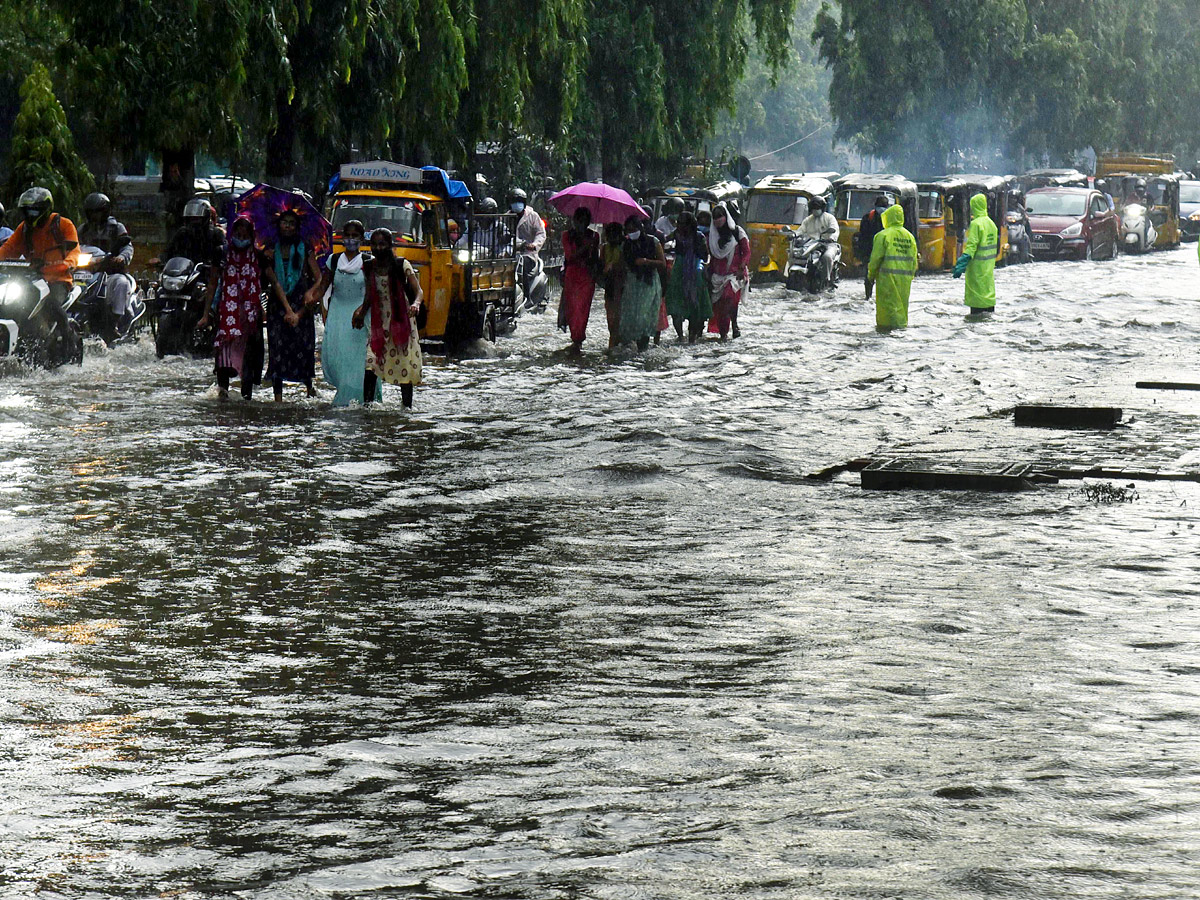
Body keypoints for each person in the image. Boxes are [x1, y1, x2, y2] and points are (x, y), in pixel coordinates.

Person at [0, 187, 82, 363]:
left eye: (34, 209)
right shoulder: (24, 229)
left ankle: (68, 340)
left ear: (46, 208)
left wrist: (67, 264)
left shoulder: (63, 224)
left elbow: (74, 250)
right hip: (31, 281)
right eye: (27, 209)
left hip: (58, 280)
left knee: (51, 303)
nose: (31, 214)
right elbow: (8, 249)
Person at [305, 220, 378, 406]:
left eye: (355, 236)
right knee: (337, 357)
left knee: (357, 359)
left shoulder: (368, 262)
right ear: (342, 237)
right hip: (337, 315)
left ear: (362, 239)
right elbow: (324, 286)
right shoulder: (334, 260)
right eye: (348, 235)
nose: (351, 239)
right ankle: (345, 393)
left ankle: (356, 400)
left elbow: (372, 291)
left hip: (359, 317)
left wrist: (362, 312)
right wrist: (312, 297)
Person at [351, 228, 423, 407]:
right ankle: (367, 408)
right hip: (379, 322)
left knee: (404, 367)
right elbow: (369, 295)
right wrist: (360, 312)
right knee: (370, 365)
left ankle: (407, 409)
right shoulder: (368, 267)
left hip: (402, 322)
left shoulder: (401, 265)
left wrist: (416, 304)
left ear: (390, 245)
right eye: (374, 244)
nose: (378, 248)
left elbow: (418, 291)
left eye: (382, 244)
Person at [197, 215, 265, 400]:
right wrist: (206, 314)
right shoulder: (222, 253)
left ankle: (246, 397)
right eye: (238, 234)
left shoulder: (259, 256)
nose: (241, 239)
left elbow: (270, 283)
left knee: (248, 359)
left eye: (245, 236)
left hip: (250, 316)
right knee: (224, 358)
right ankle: (223, 394)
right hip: (228, 312)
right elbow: (212, 284)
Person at [264, 210, 321, 401]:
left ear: (297, 227)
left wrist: (310, 293)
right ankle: (277, 397)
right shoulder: (271, 248)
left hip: (301, 303)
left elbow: (319, 279)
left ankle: (309, 388)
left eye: (291, 223)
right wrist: (266, 258)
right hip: (277, 305)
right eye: (284, 222)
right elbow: (269, 280)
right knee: (277, 350)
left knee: (303, 348)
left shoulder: (305, 247)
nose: (287, 226)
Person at [78, 192, 136, 342]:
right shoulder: (82, 229)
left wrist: (121, 258)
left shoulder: (116, 227)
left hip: (110, 272)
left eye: (97, 212)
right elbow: (72, 247)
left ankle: (114, 323)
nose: (94, 216)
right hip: (87, 273)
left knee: (121, 284)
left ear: (105, 211)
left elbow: (127, 246)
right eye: (91, 212)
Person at [866, 203, 918, 330]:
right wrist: (911, 275)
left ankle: (886, 331)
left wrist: (870, 276)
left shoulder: (882, 236)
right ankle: (901, 329)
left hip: (886, 278)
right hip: (905, 280)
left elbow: (875, 259)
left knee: (887, 309)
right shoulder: (909, 237)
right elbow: (914, 261)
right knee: (901, 306)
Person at [618, 214, 665, 350]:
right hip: (632, 283)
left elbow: (662, 263)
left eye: (634, 229)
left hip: (649, 283)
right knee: (631, 317)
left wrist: (646, 261)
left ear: (640, 228)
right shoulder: (625, 244)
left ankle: (643, 348)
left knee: (643, 317)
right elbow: (622, 265)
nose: (631, 233)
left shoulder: (653, 242)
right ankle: (635, 347)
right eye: (628, 230)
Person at [664, 211, 711, 342]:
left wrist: (702, 268)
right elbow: (664, 240)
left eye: (682, 224)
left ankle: (692, 335)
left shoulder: (699, 237)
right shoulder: (676, 234)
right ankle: (680, 336)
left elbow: (705, 256)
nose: (679, 226)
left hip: (695, 271)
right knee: (675, 303)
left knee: (695, 304)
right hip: (679, 270)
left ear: (690, 225)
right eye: (678, 223)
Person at [706, 203, 750, 341]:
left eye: (720, 217)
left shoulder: (737, 232)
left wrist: (742, 267)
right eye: (715, 217)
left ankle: (733, 326)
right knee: (719, 307)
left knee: (729, 299)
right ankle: (723, 335)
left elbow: (747, 251)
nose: (718, 220)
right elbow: (710, 256)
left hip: (734, 274)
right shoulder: (712, 236)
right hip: (717, 276)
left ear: (726, 217)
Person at [559, 207, 599, 350]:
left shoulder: (595, 236)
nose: (581, 224)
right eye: (579, 220)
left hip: (587, 277)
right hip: (572, 275)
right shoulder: (566, 236)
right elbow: (570, 256)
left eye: (584, 221)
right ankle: (575, 336)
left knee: (583, 309)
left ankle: (578, 338)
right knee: (572, 308)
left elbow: (595, 258)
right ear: (574, 221)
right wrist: (585, 246)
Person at [953, 193, 998, 316]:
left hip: (976, 274)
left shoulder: (976, 224)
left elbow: (971, 247)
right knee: (988, 315)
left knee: (976, 318)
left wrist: (961, 264)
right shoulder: (991, 224)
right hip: (988, 275)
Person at [157, 198, 225, 269]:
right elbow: (170, 250)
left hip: (206, 275)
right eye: (191, 219)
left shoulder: (216, 233)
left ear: (205, 218)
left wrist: (213, 265)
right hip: (184, 273)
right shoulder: (182, 233)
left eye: (197, 219)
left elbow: (222, 255)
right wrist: (160, 259)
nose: (193, 222)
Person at [509, 188, 545, 303]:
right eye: (514, 201)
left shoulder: (533, 216)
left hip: (528, 254)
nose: (516, 204)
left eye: (519, 201)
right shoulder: (506, 217)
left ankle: (527, 297)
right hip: (509, 254)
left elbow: (541, 233)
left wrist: (534, 245)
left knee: (521, 265)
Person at [798, 196, 841, 287]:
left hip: (829, 244)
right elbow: (800, 231)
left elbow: (835, 230)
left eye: (817, 208)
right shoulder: (808, 220)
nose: (815, 210)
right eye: (813, 208)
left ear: (822, 208)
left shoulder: (830, 218)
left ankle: (827, 280)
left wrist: (831, 237)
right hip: (811, 245)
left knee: (827, 257)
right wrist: (794, 236)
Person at [856, 195, 889, 298]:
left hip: (884, 252)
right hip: (870, 251)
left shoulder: (889, 219)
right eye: (880, 206)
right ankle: (868, 296)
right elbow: (862, 236)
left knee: (881, 277)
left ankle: (879, 297)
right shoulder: (868, 218)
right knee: (869, 276)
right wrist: (861, 255)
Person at [601, 223, 626, 351]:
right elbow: (601, 265)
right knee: (611, 317)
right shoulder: (604, 248)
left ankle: (614, 344)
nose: (611, 238)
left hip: (623, 286)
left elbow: (626, 265)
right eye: (608, 235)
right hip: (610, 285)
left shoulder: (625, 247)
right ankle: (613, 342)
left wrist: (614, 266)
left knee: (619, 317)